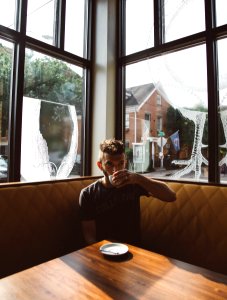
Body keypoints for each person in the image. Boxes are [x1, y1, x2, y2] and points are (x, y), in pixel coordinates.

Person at [79, 138, 176, 245]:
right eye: (110, 164)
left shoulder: (134, 183)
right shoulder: (88, 194)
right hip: (104, 250)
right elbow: (89, 238)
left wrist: (139, 179)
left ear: (125, 162)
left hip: (134, 249)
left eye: (120, 163)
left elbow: (171, 196)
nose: (116, 170)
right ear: (100, 165)